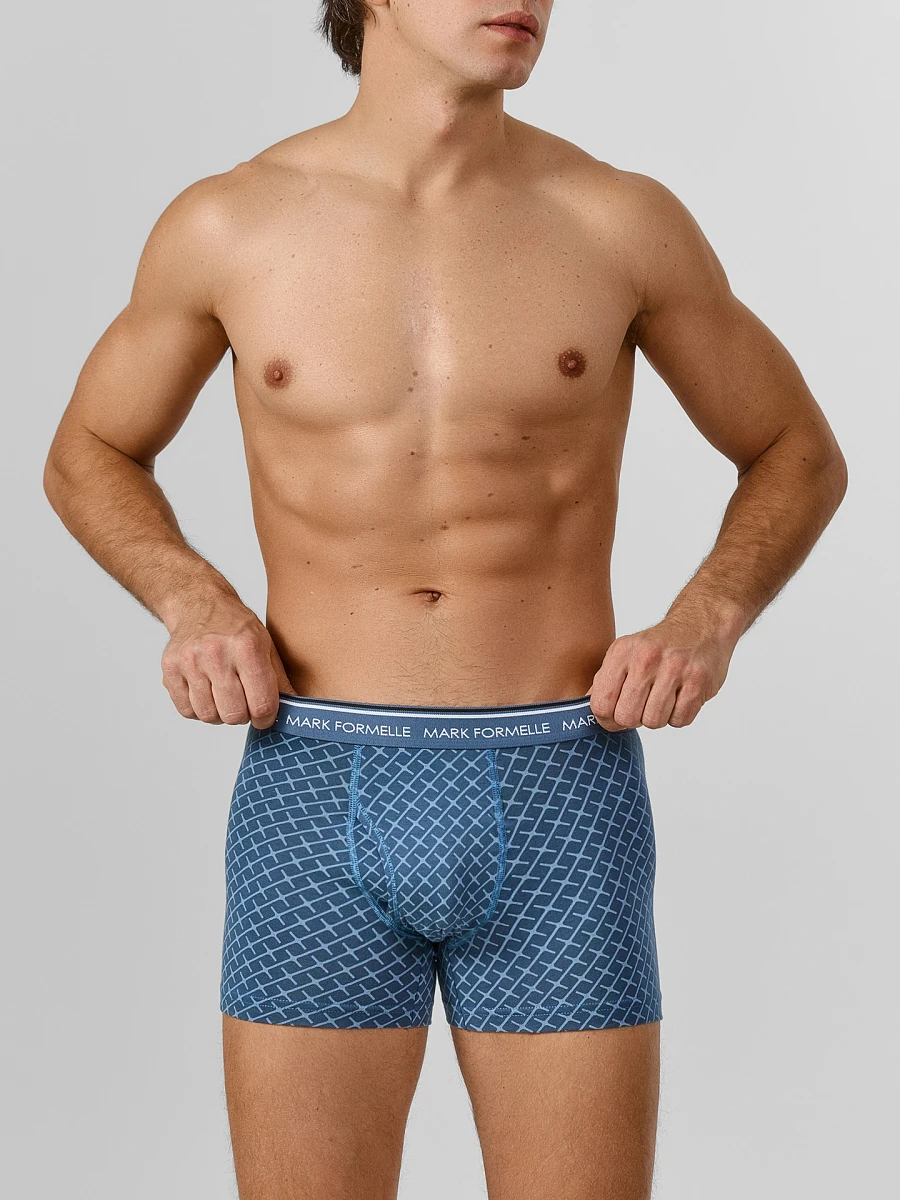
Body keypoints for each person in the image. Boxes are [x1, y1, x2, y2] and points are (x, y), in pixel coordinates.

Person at [43, 2, 847, 1196]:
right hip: (315, 783)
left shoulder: (620, 222)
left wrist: (706, 617)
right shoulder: (229, 224)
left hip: (561, 785)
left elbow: (794, 448)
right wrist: (192, 598)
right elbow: (89, 450)